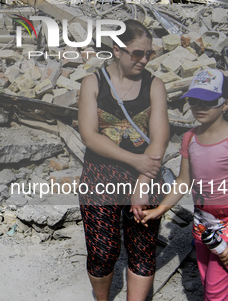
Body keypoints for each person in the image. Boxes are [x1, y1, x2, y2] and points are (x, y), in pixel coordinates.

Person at [141, 69, 228, 301]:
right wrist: (160, 209)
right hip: (203, 223)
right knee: (210, 282)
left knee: (216, 292)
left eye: (208, 101)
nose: (199, 106)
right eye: (194, 100)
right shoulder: (190, 138)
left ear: (225, 104)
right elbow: (183, 181)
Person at [78, 19, 169, 301]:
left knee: (142, 249)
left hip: (144, 176)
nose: (144, 60)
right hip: (99, 176)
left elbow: (160, 138)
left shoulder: (154, 86)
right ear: (117, 50)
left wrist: (143, 178)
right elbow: (89, 135)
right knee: (102, 251)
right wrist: (135, 160)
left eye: (148, 54)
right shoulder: (92, 84)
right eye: (137, 53)